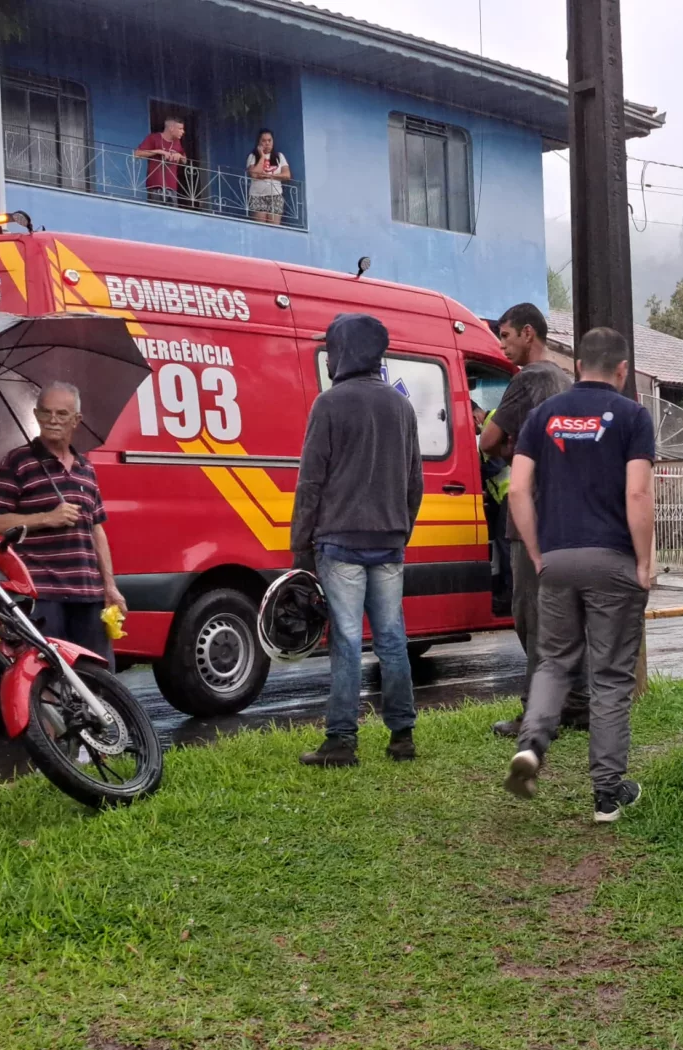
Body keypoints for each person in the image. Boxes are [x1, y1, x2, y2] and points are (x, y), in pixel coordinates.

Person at [504, 328, 658, 823]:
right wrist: (644, 560)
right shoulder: (633, 417)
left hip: (557, 560)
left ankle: (531, 746)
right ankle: (607, 795)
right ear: (623, 370)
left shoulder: (542, 416)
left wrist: (535, 550)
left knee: (553, 663)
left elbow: (518, 491)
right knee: (610, 678)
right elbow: (638, 495)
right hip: (612, 559)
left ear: (576, 367)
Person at [291, 313, 425, 766]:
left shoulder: (329, 405)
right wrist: (399, 528)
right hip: (389, 543)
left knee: (347, 642)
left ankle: (341, 742)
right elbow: (415, 484)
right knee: (392, 638)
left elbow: (310, 483)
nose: (328, 357)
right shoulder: (401, 406)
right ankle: (402, 735)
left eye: (331, 348)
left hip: (339, 544)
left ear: (344, 351)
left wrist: (300, 547)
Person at [480, 303, 586, 739]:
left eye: (505, 336)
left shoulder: (527, 380)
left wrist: (503, 447)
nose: (502, 345)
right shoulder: (567, 380)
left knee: (532, 618)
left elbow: (488, 440)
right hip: (570, 517)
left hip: (531, 518)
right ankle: (577, 705)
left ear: (528, 333)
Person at [0, 382, 124, 657]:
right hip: (42, 593)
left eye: (61, 414)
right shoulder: (17, 461)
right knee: (47, 677)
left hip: (89, 593)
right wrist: (48, 517)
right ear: (35, 415)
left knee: (96, 675)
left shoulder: (86, 467)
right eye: (46, 413)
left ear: (76, 420)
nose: (53, 420)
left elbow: (97, 529)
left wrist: (110, 587)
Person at [135, 116, 190, 207]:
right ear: (171, 128)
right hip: (155, 185)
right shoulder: (153, 138)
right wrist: (158, 151)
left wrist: (179, 156)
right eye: (180, 129)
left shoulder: (177, 142)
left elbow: (185, 160)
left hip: (172, 187)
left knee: (173, 216)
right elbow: (137, 154)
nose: (183, 132)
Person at [246, 129, 290, 224]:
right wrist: (262, 156)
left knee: (274, 227)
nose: (267, 143)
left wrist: (268, 176)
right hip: (257, 196)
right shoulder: (253, 157)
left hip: (276, 195)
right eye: (264, 141)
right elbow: (254, 174)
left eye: (269, 140)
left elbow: (287, 175)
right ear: (259, 142)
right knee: (261, 227)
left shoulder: (279, 156)